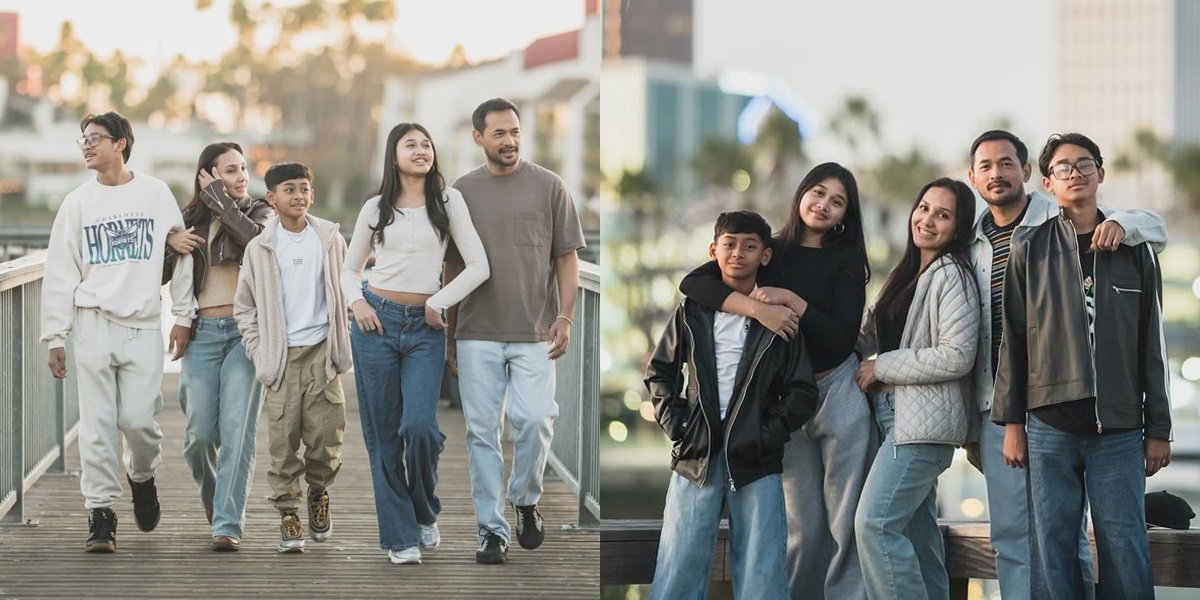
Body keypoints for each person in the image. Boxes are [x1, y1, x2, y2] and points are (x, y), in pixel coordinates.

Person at [963, 129, 1167, 599]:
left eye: (1083, 165)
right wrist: (1013, 423)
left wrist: (1158, 426)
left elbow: (1150, 347)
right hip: (1049, 426)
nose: (1074, 174)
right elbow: (1013, 342)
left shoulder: (1133, 248)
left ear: (1101, 172)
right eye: (1063, 168)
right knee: (1049, 550)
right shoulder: (1029, 247)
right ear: (1049, 183)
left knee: (1126, 547)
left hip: (1117, 430)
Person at [679, 162, 874, 599]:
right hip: (785, 400)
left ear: (846, 214)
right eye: (818, 193)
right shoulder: (770, 251)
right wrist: (757, 309)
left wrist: (790, 300)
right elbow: (693, 284)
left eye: (837, 201)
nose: (823, 205)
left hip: (837, 391)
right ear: (801, 193)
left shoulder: (846, 262)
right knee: (801, 522)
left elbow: (841, 339)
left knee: (847, 519)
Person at [40, 111, 196, 552]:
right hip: (92, 322)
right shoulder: (77, 203)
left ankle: (142, 477)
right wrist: (56, 335)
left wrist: (182, 316)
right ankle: (101, 513)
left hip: (143, 324)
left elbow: (183, 250)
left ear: (122, 143)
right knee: (97, 423)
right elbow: (59, 272)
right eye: (83, 140)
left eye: (96, 138)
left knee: (138, 422)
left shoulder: (155, 193)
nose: (87, 145)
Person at [645, 210, 819, 600]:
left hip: (756, 457)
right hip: (697, 454)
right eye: (729, 244)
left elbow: (802, 390)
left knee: (763, 571)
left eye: (750, 246)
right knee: (679, 564)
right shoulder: (692, 311)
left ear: (766, 256)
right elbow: (660, 373)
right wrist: (679, 428)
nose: (738, 253)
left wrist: (767, 435)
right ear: (714, 249)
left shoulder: (780, 318)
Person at [443, 97, 586, 564]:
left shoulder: (550, 186)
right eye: (499, 133)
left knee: (536, 419)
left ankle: (524, 498)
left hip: (535, 331)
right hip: (476, 331)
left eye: (515, 132)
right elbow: (451, 267)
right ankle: (491, 531)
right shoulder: (461, 193)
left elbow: (566, 257)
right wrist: (449, 336)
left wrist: (564, 316)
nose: (509, 141)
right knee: (482, 433)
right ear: (478, 138)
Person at [341, 122, 490, 565]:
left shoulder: (448, 201)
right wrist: (357, 303)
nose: (422, 150)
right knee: (383, 435)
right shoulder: (375, 208)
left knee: (420, 428)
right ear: (394, 156)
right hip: (376, 326)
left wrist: (439, 303)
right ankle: (401, 536)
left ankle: (424, 509)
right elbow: (349, 269)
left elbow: (479, 265)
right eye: (411, 145)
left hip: (426, 329)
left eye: (427, 144)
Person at [853, 178, 980, 599]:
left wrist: (881, 367)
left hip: (922, 426)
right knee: (918, 539)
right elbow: (871, 339)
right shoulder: (908, 273)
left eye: (942, 215)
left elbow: (957, 354)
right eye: (923, 208)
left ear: (958, 228)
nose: (927, 219)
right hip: (896, 417)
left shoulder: (952, 275)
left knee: (874, 525)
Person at [233, 162, 351, 554]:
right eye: (289, 189)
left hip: (322, 353)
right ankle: (289, 514)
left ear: (311, 195)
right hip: (282, 359)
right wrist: (258, 350)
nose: (298, 196)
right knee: (283, 443)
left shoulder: (330, 239)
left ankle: (318, 492)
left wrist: (340, 343)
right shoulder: (260, 247)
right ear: (272, 197)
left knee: (326, 437)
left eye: (304, 189)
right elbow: (245, 308)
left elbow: (345, 289)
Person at [164, 142, 273, 552]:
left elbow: (257, 245)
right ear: (208, 177)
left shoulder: (260, 212)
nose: (242, 176)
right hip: (203, 335)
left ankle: (228, 523)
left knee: (237, 432)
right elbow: (160, 272)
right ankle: (216, 503)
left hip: (247, 335)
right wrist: (169, 243)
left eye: (244, 168)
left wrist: (222, 201)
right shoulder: (188, 220)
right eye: (231, 170)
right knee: (198, 437)